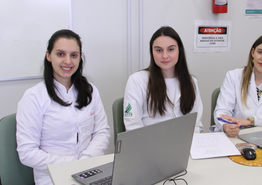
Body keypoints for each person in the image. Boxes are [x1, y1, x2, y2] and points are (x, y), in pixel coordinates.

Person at [16, 29, 110, 184]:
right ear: (48, 56)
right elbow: (27, 152)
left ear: (80, 58)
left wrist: (86, 161)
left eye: (74, 55)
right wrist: (71, 165)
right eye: (60, 54)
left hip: (91, 170)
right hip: (53, 177)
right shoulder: (33, 97)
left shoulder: (90, 91)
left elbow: (102, 132)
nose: (68, 61)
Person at [124, 26, 204, 133]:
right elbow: (132, 126)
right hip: (150, 145)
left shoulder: (191, 82)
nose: (165, 56)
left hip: (185, 145)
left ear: (179, 51)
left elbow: (196, 124)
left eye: (171, 49)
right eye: (159, 50)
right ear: (152, 52)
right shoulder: (137, 80)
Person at [212, 33, 262, 137]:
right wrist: (226, 126)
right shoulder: (234, 76)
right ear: (253, 52)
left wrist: (251, 121)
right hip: (237, 136)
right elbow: (222, 112)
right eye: (260, 52)